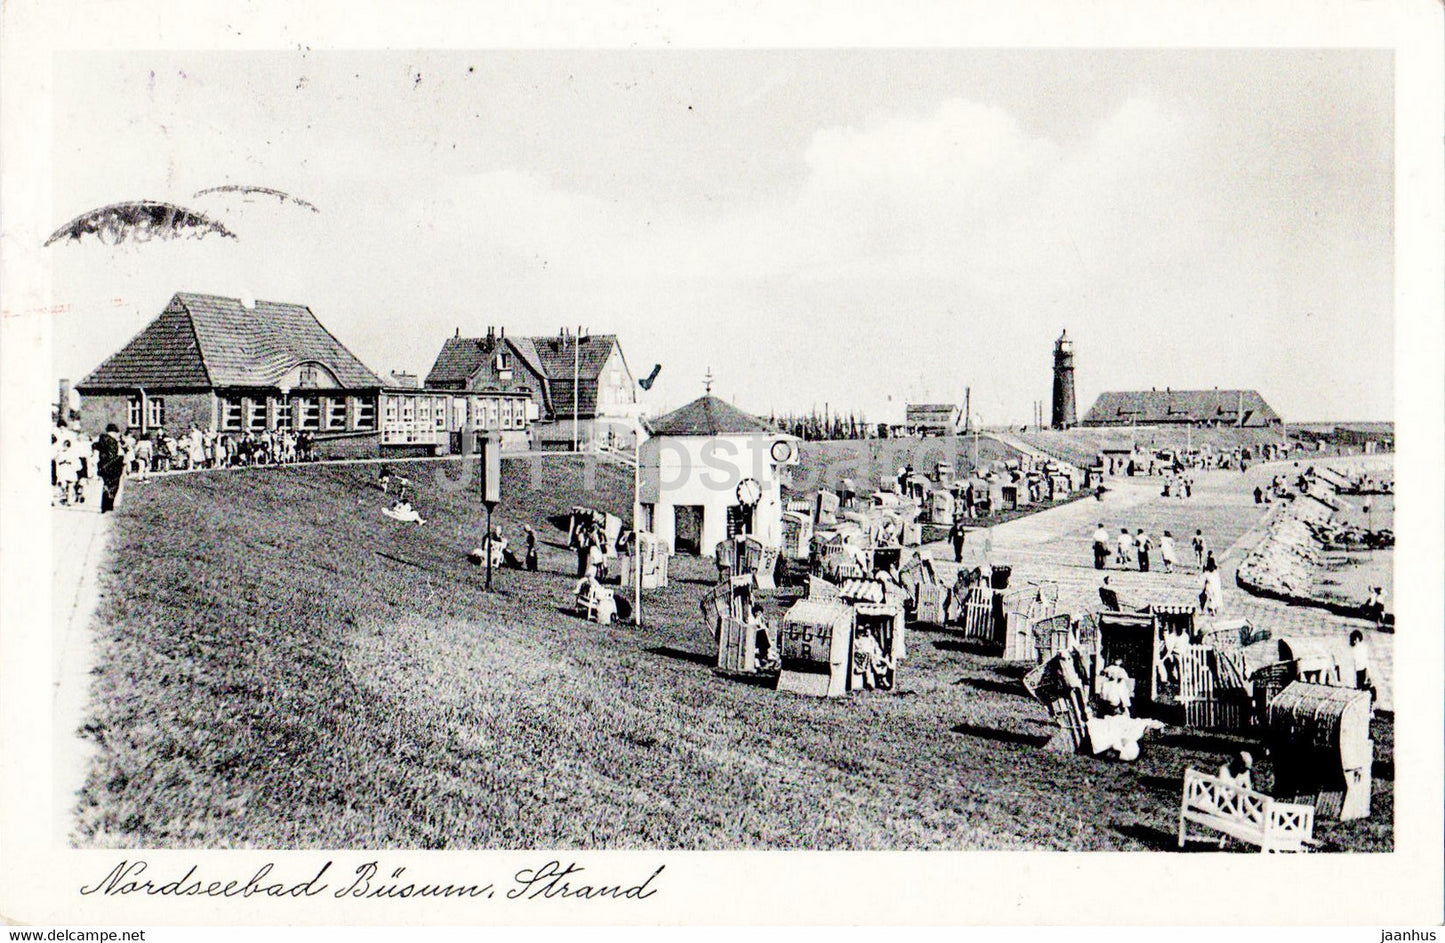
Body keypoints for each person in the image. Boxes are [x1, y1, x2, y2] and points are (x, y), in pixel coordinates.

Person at [95, 423, 125, 513]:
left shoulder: (102, 439)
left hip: (103, 467)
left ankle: (104, 506)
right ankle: (109, 505)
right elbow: (114, 456)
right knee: (114, 486)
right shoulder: (113, 441)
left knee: (106, 485)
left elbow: (96, 447)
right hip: (114, 467)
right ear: (114, 432)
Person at [1349, 630, 1376, 706]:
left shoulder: (1361, 648)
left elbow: (1365, 662)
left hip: (1363, 671)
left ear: (1357, 639)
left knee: (1364, 691)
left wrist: (1368, 674)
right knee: (1361, 691)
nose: (1354, 641)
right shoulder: (1355, 649)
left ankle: (1369, 708)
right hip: (1359, 672)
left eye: (1355, 639)